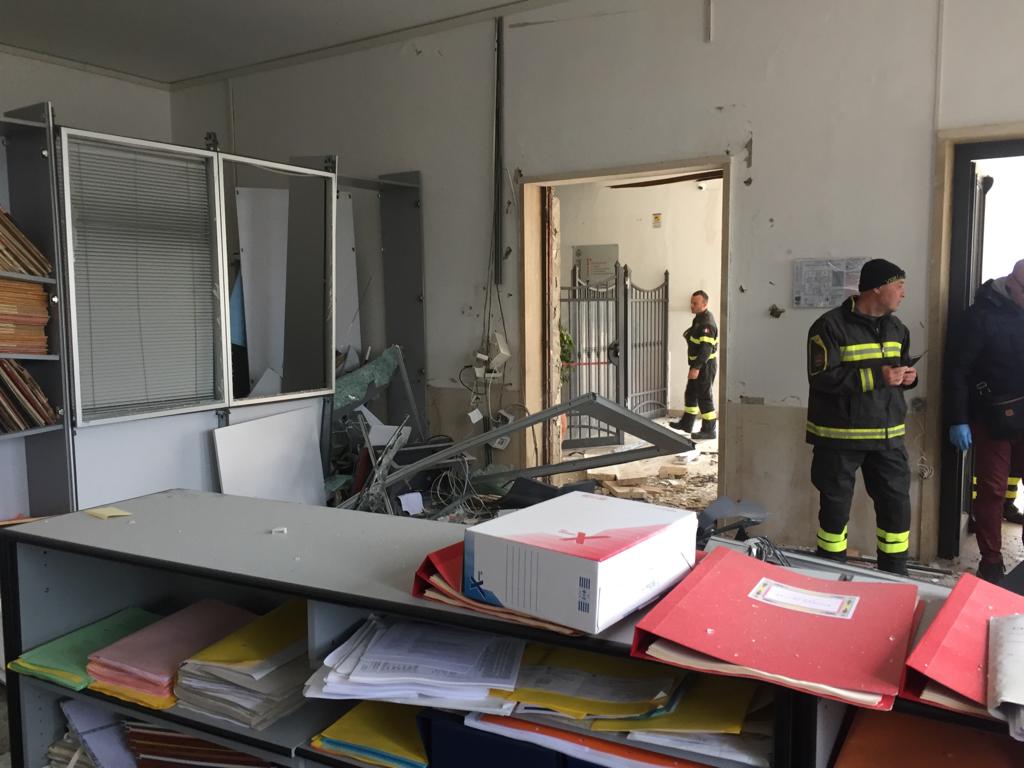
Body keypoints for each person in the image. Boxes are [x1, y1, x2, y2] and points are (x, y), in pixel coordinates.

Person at [806, 259, 916, 575]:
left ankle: (894, 574)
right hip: (839, 437)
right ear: (877, 288)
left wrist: (908, 378)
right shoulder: (828, 326)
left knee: (896, 506)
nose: (903, 293)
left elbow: (899, 369)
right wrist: (879, 377)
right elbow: (821, 377)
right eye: (899, 286)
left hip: (888, 438)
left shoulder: (898, 329)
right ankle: (829, 572)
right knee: (835, 510)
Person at [946, 259, 1024, 583]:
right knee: (991, 490)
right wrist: (958, 419)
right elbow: (957, 370)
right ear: (1012, 283)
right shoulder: (979, 316)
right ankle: (991, 562)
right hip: (992, 417)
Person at [669, 290, 718, 439]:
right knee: (691, 393)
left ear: (704, 304)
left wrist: (696, 368)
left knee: (704, 396)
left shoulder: (707, 323)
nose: (692, 305)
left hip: (705, 366)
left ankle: (709, 430)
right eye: (691, 302)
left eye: (695, 303)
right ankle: (687, 423)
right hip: (698, 364)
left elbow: (706, 350)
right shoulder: (699, 318)